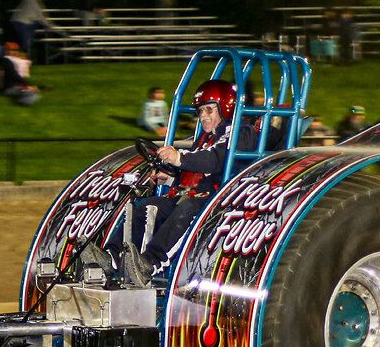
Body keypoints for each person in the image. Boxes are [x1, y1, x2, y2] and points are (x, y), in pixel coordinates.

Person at [90, 80, 256, 287]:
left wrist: (179, 158)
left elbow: (215, 159)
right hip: (198, 196)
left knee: (188, 208)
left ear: (226, 107)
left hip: (223, 203)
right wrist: (171, 178)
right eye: (200, 110)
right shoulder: (206, 137)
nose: (203, 115)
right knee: (149, 204)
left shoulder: (241, 132)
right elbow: (198, 172)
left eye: (209, 109)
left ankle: (150, 262)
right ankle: (111, 257)